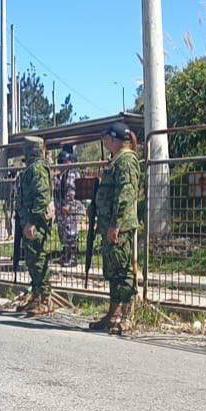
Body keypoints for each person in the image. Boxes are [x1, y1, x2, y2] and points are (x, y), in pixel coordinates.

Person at [88, 122, 143, 335]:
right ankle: (114, 313)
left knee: (123, 270)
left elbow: (125, 195)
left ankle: (127, 315)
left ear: (113, 139)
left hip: (119, 226)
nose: (105, 142)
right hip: (110, 225)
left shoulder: (126, 161)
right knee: (113, 270)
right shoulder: (116, 161)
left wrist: (116, 224)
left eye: (106, 139)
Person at [15, 137, 55, 315]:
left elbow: (41, 197)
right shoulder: (32, 168)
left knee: (39, 261)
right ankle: (37, 296)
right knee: (32, 261)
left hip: (36, 223)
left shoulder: (38, 169)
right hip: (30, 221)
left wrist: (32, 221)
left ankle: (45, 299)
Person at [55, 148, 86, 267]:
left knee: (71, 232)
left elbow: (72, 190)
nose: (61, 164)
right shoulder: (62, 174)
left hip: (72, 208)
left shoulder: (73, 172)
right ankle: (66, 255)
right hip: (62, 208)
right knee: (63, 232)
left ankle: (73, 257)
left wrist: (68, 205)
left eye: (63, 161)